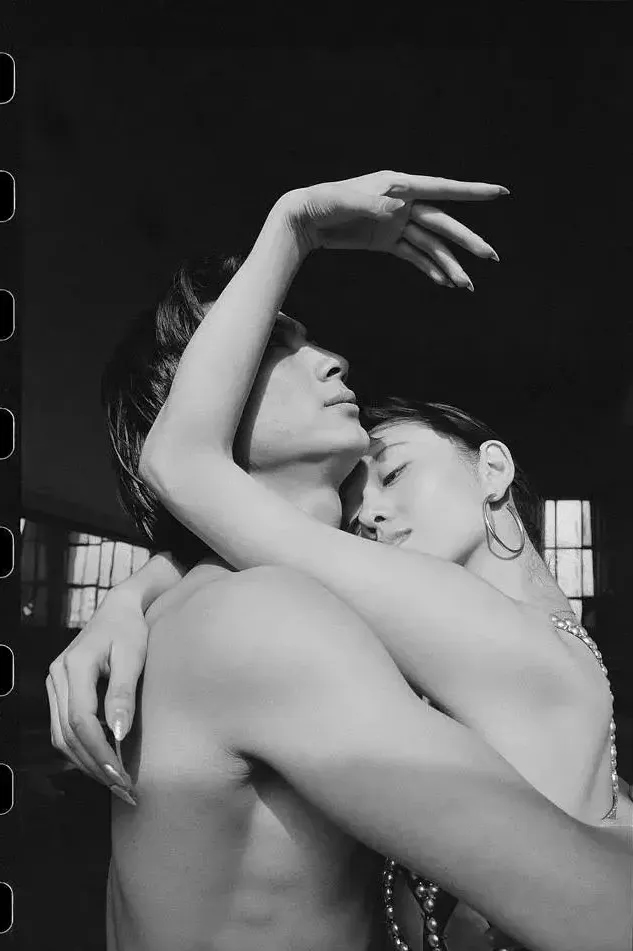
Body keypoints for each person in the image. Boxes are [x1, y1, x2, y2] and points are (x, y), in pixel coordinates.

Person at [47, 171, 632, 951]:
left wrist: (136, 591)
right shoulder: (263, 618)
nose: (331, 358)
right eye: (273, 343)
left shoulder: (239, 605)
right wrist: (292, 225)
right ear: (206, 391)